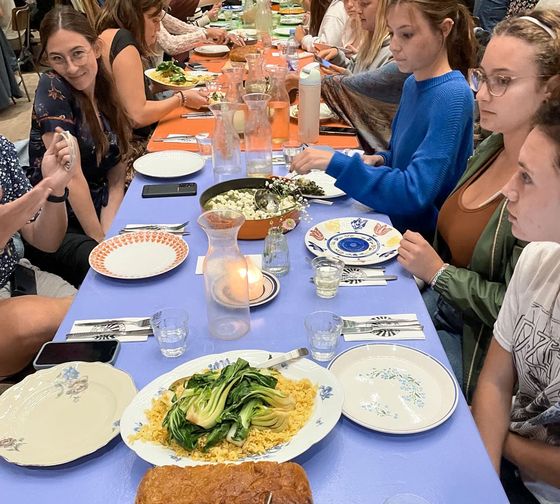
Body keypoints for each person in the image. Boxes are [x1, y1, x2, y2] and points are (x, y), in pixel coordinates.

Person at [397, 10, 560, 400]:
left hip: (477, 352)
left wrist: (439, 273)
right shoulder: (492, 144)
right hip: (440, 309)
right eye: (482, 77)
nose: (482, 94)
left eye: (502, 81)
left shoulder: (545, 191)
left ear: (549, 91)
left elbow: (519, 308)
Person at [291, 0, 476, 240]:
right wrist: (382, 159)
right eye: (392, 34)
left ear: (444, 29)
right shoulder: (412, 83)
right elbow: (403, 157)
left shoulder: (452, 96)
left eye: (407, 34)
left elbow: (414, 193)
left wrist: (337, 163)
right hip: (392, 218)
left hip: (418, 239)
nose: (395, 46)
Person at [471, 96, 560, 504]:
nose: (508, 190)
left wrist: (506, 444)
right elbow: (494, 380)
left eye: (525, 177)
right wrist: (485, 486)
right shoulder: (537, 260)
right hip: (507, 471)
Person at [26, 6, 131, 287]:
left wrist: (110, 226)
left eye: (77, 53)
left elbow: (116, 174)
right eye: (58, 59)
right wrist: (102, 240)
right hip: (58, 224)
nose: (71, 68)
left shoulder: (104, 87)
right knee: (112, 272)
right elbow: (71, 176)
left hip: (98, 211)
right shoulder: (52, 87)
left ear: (95, 48)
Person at [0, 132, 77, 377]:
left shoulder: (1, 148)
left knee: (98, 331)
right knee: (89, 316)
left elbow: (45, 241)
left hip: (17, 275)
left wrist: (55, 189)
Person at [96, 0, 207, 129]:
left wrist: (158, 87)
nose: (158, 28)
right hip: (133, 144)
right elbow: (137, 116)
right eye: (154, 20)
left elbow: (124, 99)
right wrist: (182, 99)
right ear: (134, 17)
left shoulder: (109, 34)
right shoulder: (124, 42)